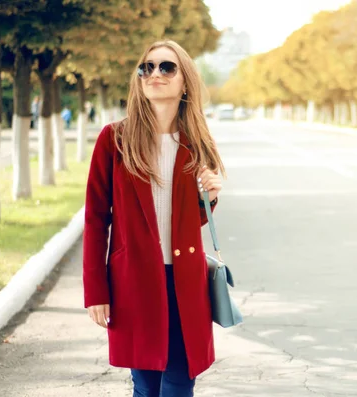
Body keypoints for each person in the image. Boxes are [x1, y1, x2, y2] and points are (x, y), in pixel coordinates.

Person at [83, 39, 225, 396]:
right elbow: (96, 220)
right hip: (133, 281)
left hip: (185, 284)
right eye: (146, 67)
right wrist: (95, 291)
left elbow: (189, 222)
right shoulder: (115, 139)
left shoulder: (198, 142)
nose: (154, 74)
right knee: (145, 385)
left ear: (185, 81)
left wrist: (209, 198)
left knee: (179, 382)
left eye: (166, 67)